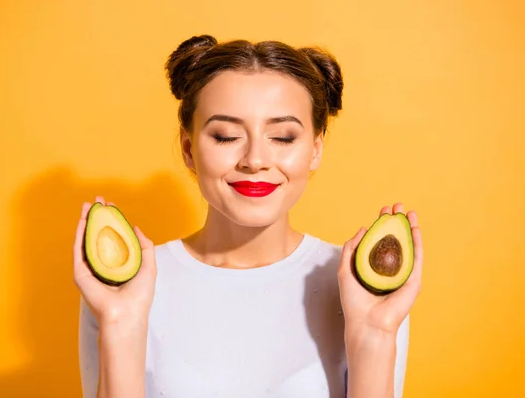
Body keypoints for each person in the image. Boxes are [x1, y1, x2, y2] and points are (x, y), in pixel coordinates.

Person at [74, 35, 423, 398]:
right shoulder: (122, 288)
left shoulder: (364, 291)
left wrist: (375, 335)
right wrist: (121, 325)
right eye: (226, 136)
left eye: (283, 137)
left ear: (315, 150)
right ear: (189, 149)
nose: (255, 160)